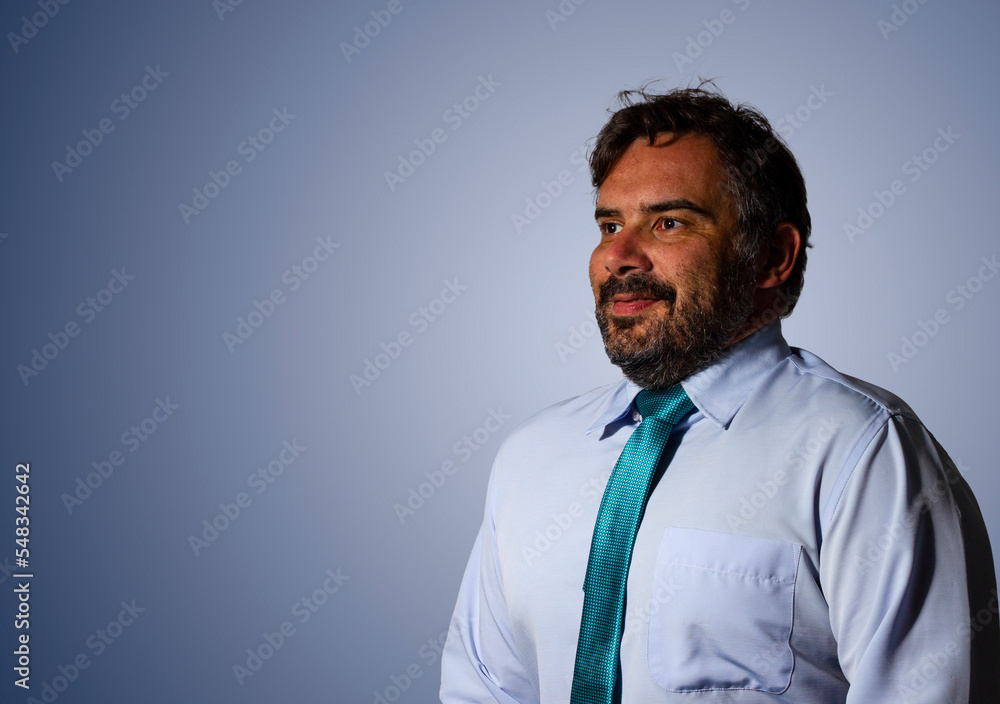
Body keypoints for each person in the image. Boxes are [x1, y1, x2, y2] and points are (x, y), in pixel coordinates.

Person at [439, 83, 999, 703]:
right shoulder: (531, 456)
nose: (618, 256)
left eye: (669, 222)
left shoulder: (860, 449)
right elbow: (482, 689)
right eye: (609, 224)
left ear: (772, 256)